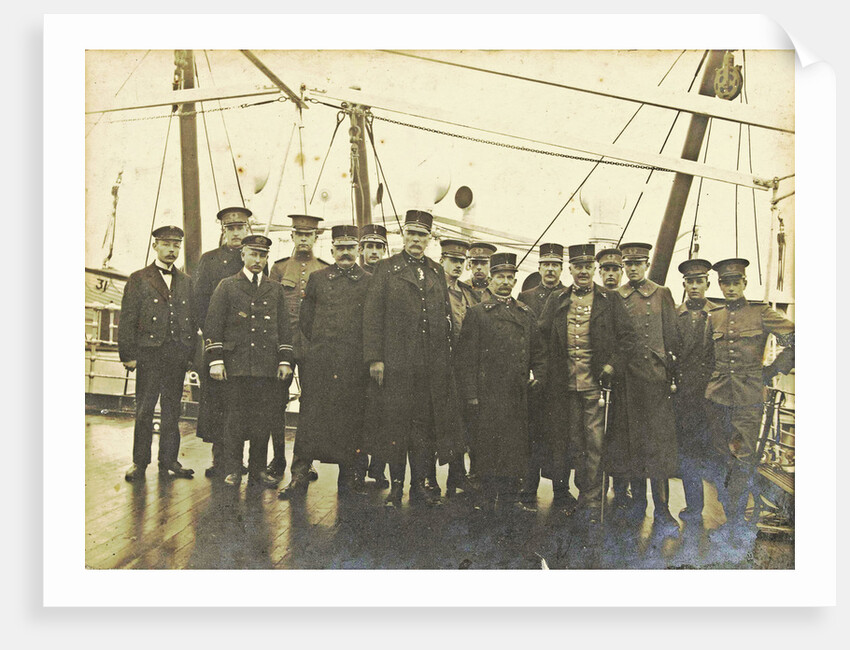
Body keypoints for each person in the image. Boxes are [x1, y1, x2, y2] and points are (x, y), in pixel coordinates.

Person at [362, 210, 463, 507]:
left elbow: (445, 317)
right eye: (412, 234)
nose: (416, 240)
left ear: (429, 239)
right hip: (396, 365)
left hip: (429, 368)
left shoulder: (435, 271)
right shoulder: (386, 269)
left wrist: (444, 363)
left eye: (422, 235)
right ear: (403, 236)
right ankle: (396, 487)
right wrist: (375, 359)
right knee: (396, 427)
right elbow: (372, 316)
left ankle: (419, 486)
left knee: (423, 429)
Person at [538, 244, 636, 522]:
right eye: (577, 267)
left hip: (596, 387)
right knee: (572, 442)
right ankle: (574, 493)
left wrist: (610, 366)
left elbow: (628, 339)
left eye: (587, 267)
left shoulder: (609, 299)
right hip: (564, 387)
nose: (582, 271)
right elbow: (541, 338)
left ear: (594, 269)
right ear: (569, 270)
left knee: (595, 442)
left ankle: (592, 498)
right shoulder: (557, 300)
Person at [704, 258, 794, 547]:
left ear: (744, 283)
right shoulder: (713, 317)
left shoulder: (761, 313)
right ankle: (730, 519)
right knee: (722, 461)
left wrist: (771, 371)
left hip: (747, 400)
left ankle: (737, 527)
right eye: (725, 283)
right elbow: (707, 355)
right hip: (717, 398)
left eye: (735, 282)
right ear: (720, 285)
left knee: (743, 461)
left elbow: (796, 338)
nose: (730, 288)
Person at [278, 226, 372, 500]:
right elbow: (306, 320)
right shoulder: (318, 279)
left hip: (353, 364)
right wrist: (323, 346)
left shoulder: (367, 281)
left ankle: (352, 478)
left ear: (358, 251)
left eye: (350, 248)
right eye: (340, 248)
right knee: (310, 419)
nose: (345, 253)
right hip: (320, 361)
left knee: (352, 420)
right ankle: (299, 476)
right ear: (332, 250)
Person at [456, 252, 547, 513]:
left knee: (514, 448)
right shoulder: (478, 314)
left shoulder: (525, 313)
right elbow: (466, 358)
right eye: (500, 277)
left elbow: (539, 353)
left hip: (517, 394)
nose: (505, 282)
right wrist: (471, 394)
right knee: (486, 447)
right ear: (491, 281)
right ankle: (485, 499)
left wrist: (538, 377)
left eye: (510, 277)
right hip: (488, 395)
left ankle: (509, 499)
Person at [204, 234, 294, 489]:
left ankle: (257, 471)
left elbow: (284, 328)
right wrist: (216, 361)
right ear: (242, 255)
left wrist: (284, 361)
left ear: (267, 258)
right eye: (252, 254)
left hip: (265, 367)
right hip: (236, 366)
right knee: (234, 419)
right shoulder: (227, 286)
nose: (257, 260)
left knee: (262, 421)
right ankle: (233, 469)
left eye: (262, 255)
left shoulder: (274, 289)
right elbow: (213, 325)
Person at [607, 242, 681, 533]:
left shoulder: (661, 294)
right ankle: (638, 505)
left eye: (638, 263)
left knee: (658, 449)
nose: (633, 268)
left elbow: (673, 337)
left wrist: (670, 376)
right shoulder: (616, 297)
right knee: (631, 447)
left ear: (647, 263)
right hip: (627, 383)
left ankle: (663, 512)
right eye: (629, 264)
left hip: (654, 381)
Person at [118, 225, 197, 482]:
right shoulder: (139, 278)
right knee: (145, 409)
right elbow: (128, 319)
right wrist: (128, 355)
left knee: (173, 410)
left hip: (175, 356)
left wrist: (189, 356)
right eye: (166, 244)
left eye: (176, 245)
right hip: (149, 355)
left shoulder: (186, 282)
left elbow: (190, 321)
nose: (172, 249)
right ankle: (139, 463)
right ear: (155, 246)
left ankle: (169, 460)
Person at [266, 215, 330, 482]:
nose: (304, 239)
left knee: (311, 404)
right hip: (283, 345)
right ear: (292, 236)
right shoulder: (279, 269)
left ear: (317, 238)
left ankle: (306, 462)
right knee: (275, 404)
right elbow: (270, 307)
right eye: (299, 234)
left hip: (312, 347)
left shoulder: (324, 269)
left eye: (309, 235)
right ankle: (278, 459)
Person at [193, 207, 253, 478]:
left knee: (241, 403)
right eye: (231, 229)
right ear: (223, 231)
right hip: (218, 344)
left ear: (247, 229)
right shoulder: (210, 261)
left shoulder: (253, 258)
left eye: (240, 228)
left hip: (245, 346)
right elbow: (199, 303)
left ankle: (237, 460)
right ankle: (220, 460)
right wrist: (212, 339)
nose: (236, 233)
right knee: (217, 403)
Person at [517, 242, 566, 508]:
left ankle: (561, 488)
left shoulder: (569, 295)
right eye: (546, 264)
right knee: (531, 431)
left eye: (555, 265)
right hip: (534, 376)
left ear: (561, 269)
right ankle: (528, 486)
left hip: (560, 376)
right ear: (539, 267)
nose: (550, 269)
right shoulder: (526, 297)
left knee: (559, 434)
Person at [672, 258, 721, 522]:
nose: (694, 286)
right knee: (688, 453)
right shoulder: (676, 315)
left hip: (714, 394)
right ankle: (695, 508)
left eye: (699, 281)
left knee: (715, 453)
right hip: (685, 396)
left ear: (707, 283)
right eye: (689, 282)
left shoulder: (719, 314)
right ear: (684, 285)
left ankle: (727, 513)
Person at [438, 238, 479, 496]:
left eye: (461, 262)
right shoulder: (434, 290)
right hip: (440, 367)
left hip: (464, 368)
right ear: (442, 260)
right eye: (453, 261)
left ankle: (458, 476)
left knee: (462, 422)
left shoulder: (467, 292)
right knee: (441, 424)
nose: (457, 266)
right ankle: (429, 480)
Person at [356, 223, 390, 487]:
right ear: (361, 249)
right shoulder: (356, 277)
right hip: (356, 356)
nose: (375, 252)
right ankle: (358, 467)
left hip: (384, 357)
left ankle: (378, 469)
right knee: (358, 413)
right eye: (370, 247)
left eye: (379, 247)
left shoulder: (390, 278)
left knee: (383, 414)